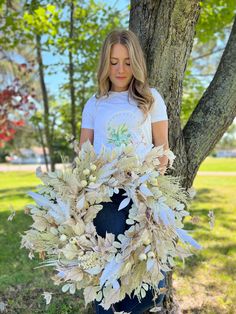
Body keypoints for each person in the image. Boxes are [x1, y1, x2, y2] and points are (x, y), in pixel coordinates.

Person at [79, 29, 169, 314]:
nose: (120, 69)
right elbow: (84, 154)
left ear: (137, 63)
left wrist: (148, 181)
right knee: (108, 274)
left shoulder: (151, 99)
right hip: (105, 199)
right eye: (114, 61)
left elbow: (163, 150)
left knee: (149, 276)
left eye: (128, 62)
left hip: (143, 196)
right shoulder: (95, 104)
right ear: (105, 63)